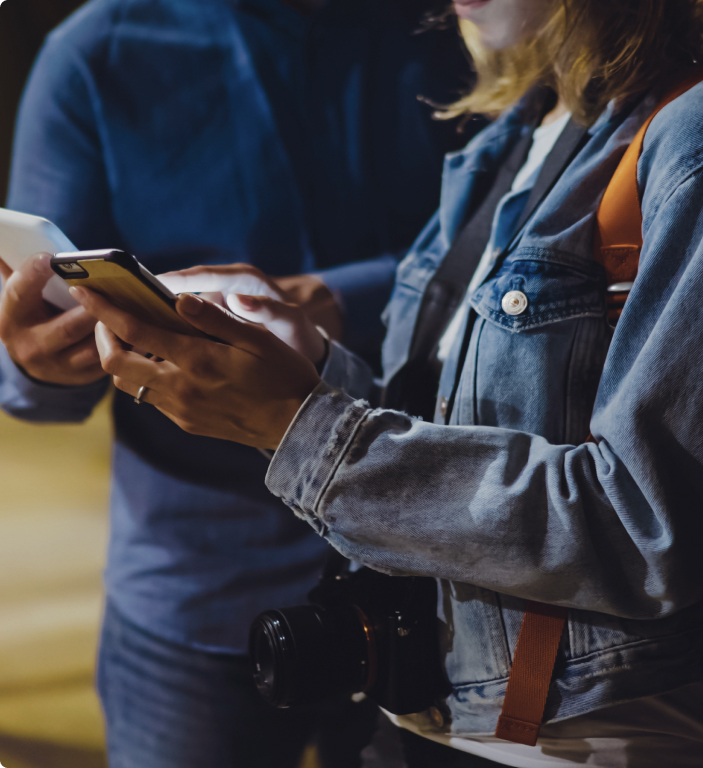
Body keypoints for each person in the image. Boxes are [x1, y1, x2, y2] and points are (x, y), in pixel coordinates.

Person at [66, 0, 703, 765]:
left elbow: (646, 531)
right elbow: (458, 430)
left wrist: (296, 427)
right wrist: (312, 367)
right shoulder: (524, 126)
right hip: (428, 718)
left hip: (585, 741)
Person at [0, 0, 479, 766]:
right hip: (202, 582)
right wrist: (35, 363)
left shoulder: (462, 23)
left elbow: (517, 247)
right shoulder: (96, 52)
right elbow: (36, 360)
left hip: (442, 571)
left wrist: (327, 299)